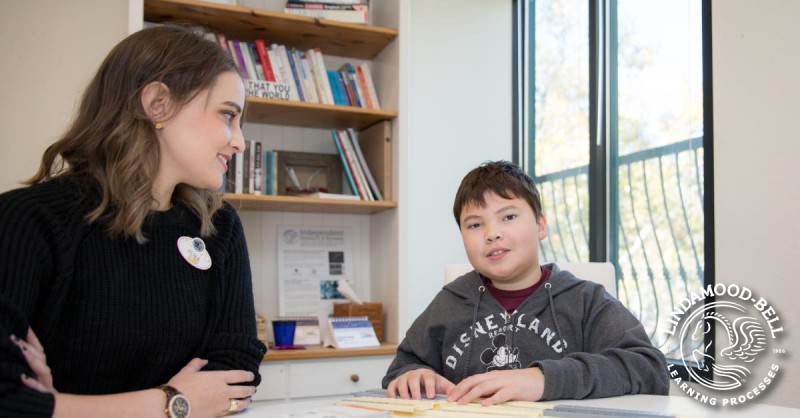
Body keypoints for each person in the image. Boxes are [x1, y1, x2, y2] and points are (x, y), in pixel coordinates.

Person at [0, 25, 267, 418]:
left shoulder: (218, 227)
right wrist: (175, 401)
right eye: (227, 115)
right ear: (158, 104)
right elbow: (8, 401)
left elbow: (235, 377)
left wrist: (60, 406)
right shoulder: (26, 221)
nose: (239, 142)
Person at [382, 160, 669, 405]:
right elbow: (402, 368)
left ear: (540, 225)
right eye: (475, 224)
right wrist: (414, 375)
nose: (492, 233)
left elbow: (650, 369)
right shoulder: (450, 302)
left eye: (508, 217)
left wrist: (543, 380)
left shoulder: (586, 301)